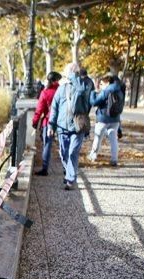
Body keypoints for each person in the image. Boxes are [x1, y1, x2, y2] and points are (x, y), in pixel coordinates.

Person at [48, 62, 92, 190]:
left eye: (74, 72)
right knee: (64, 153)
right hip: (62, 126)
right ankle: (69, 173)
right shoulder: (61, 89)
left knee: (73, 152)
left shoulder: (84, 86)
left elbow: (83, 93)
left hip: (77, 127)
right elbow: (54, 108)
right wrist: (51, 125)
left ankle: (70, 179)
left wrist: (73, 75)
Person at [88, 74, 124, 165]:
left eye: (102, 83)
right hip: (115, 119)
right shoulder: (120, 89)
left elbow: (94, 102)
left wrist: (93, 92)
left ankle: (93, 156)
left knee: (98, 138)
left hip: (103, 118)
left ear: (107, 82)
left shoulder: (107, 90)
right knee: (113, 140)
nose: (101, 85)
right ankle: (114, 159)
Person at [32, 71, 62, 176]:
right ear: (57, 80)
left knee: (47, 145)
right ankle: (67, 169)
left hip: (48, 122)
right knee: (63, 145)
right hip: (62, 122)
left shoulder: (45, 92)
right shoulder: (61, 90)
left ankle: (45, 169)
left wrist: (35, 122)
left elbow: (39, 109)